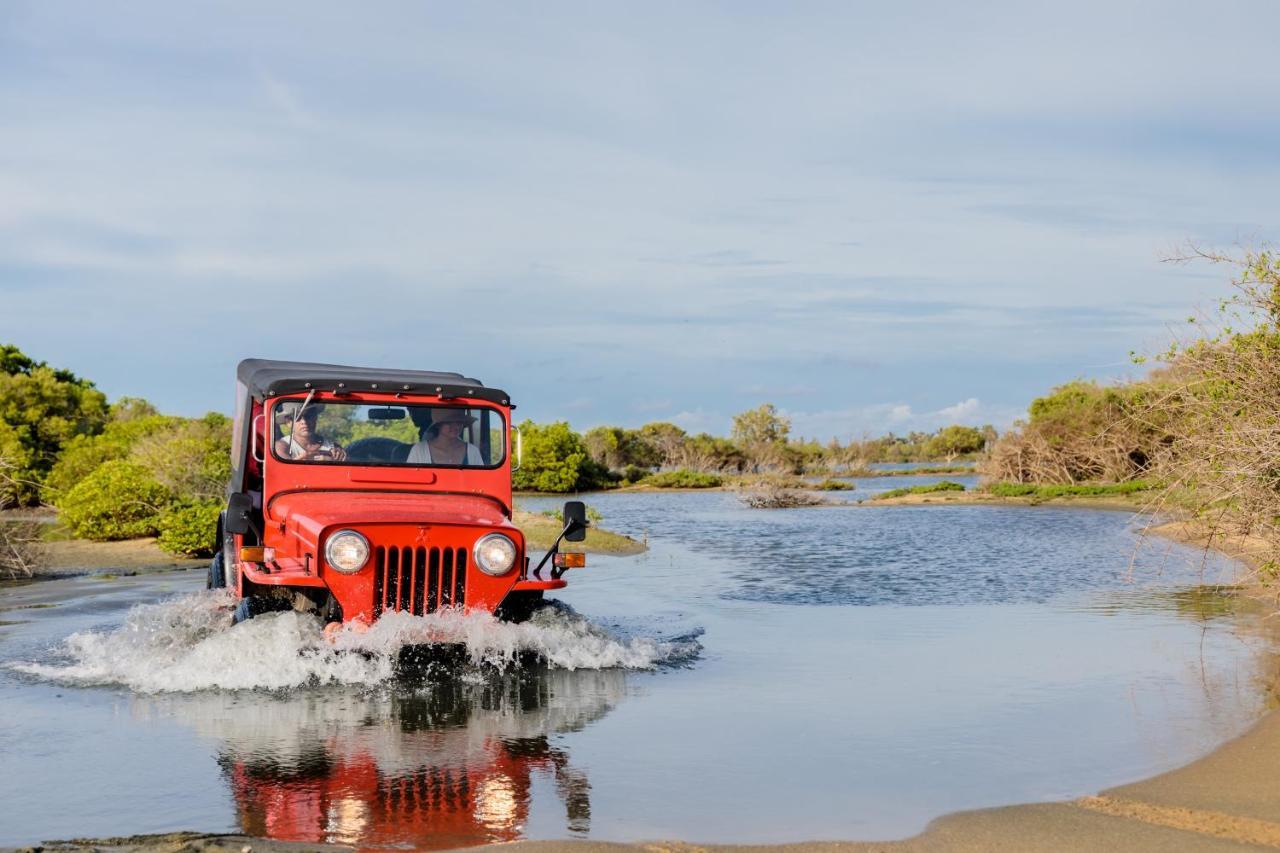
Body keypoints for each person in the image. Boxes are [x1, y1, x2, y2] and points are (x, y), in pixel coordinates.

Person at [275, 402, 347, 462]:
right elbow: (285, 471)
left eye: (308, 416)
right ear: (288, 422)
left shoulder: (334, 447)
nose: (304, 422)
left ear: (315, 417)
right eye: (297, 417)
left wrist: (341, 457)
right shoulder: (282, 446)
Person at [407, 408, 483, 465]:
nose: (455, 427)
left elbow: (481, 480)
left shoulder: (473, 451)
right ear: (438, 425)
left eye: (459, 422)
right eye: (449, 422)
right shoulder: (419, 450)